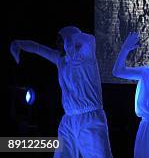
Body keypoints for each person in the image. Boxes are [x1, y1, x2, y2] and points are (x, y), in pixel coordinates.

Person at [10, 26, 113, 158]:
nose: (57, 43)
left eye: (60, 40)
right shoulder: (60, 60)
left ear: (68, 40)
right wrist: (18, 44)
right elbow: (38, 48)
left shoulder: (86, 56)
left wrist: (70, 40)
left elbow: (90, 39)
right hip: (68, 120)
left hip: (90, 119)